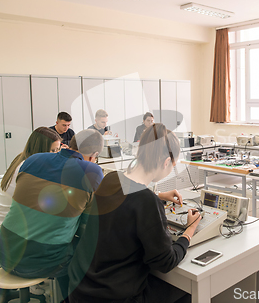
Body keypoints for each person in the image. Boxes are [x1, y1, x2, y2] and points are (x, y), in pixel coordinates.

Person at [68, 123, 201, 303]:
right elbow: (166, 262)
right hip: (112, 297)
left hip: (80, 288)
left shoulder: (111, 179)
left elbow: (129, 202)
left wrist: (158, 195)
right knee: (187, 290)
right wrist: (189, 231)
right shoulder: (147, 202)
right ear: (166, 162)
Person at [0, 129, 104, 301]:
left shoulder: (32, 159)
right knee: (88, 250)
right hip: (41, 264)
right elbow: (86, 228)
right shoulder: (91, 172)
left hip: (4, 254)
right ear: (94, 155)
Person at [0, 127, 62, 247]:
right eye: (53, 151)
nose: (57, 155)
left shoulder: (24, 158)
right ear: (40, 150)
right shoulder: (31, 169)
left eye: (58, 150)